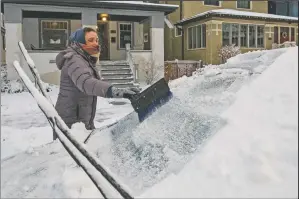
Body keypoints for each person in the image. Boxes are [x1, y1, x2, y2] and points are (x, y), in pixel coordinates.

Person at [55, 27, 140, 130]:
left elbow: (95, 83)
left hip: (80, 121)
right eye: (90, 40)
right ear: (79, 43)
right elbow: (86, 83)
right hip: (70, 125)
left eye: (96, 40)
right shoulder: (74, 60)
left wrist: (122, 89)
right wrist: (114, 91)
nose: (95, 44)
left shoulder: (84, 59)